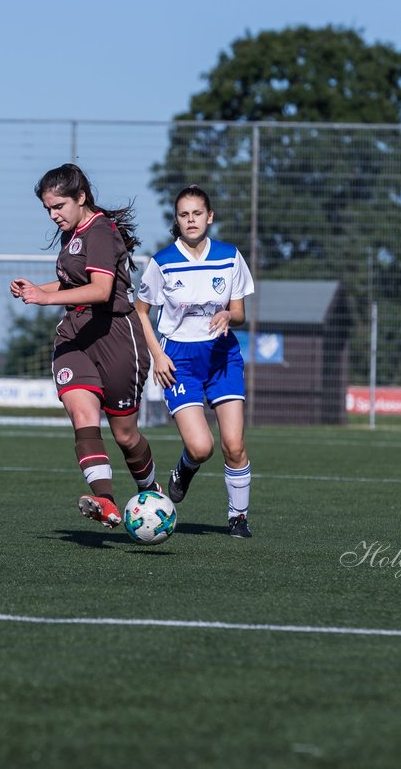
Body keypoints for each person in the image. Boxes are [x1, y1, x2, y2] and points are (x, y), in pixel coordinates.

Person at [10, 163, 158, 528]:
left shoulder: (102, 232)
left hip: (116, 335)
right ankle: (106, 501)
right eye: (48, 209)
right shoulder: (71, 232)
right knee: (83, 416)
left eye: (58, 206)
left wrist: (43, 301)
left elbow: (101, 290)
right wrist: (37, 290)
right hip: (75, 334)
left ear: (81, 198)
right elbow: (71, 284)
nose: (53, 214)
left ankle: (151, 492)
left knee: (125, 434)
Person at [134, 185, 256, 538]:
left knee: (234, 445)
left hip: (222, 356)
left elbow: (239, 313)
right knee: (202, 447)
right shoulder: (162, 263)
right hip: (180, 360)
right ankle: (184, 469)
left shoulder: (230, 256)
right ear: (177, 219)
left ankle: (238, 518)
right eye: (184, 214)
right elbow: (141, 311)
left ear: (210, 216)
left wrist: (227, 318)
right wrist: (157, 355)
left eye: (197, 213)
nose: (191, 220)